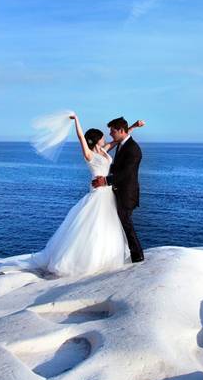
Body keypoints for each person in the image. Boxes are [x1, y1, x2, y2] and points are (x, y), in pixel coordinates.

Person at [29, 114, 145, 277]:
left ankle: (109, 257)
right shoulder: (89, 155)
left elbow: (121, 137)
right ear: (96, 140)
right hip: (98, 194)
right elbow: (81, 138)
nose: (107, 137)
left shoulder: (104, 151)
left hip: (109, 193)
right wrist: (76, 120)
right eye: (104, 136)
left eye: (111, 132)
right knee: (94, 227)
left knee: (110, 226)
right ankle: (88, 261)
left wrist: (133, 126)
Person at [91, 117, 144, 263]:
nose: (110, 134)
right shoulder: (123, 144)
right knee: (121, 223)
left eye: (112, 131)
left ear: (121, 130)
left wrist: (105, 180)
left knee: (126, 223)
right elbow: (117, 167)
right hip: (119, 192)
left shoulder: (133, 149)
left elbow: (125, 173)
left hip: (128, 194)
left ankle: (137, 256)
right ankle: (127, 253)